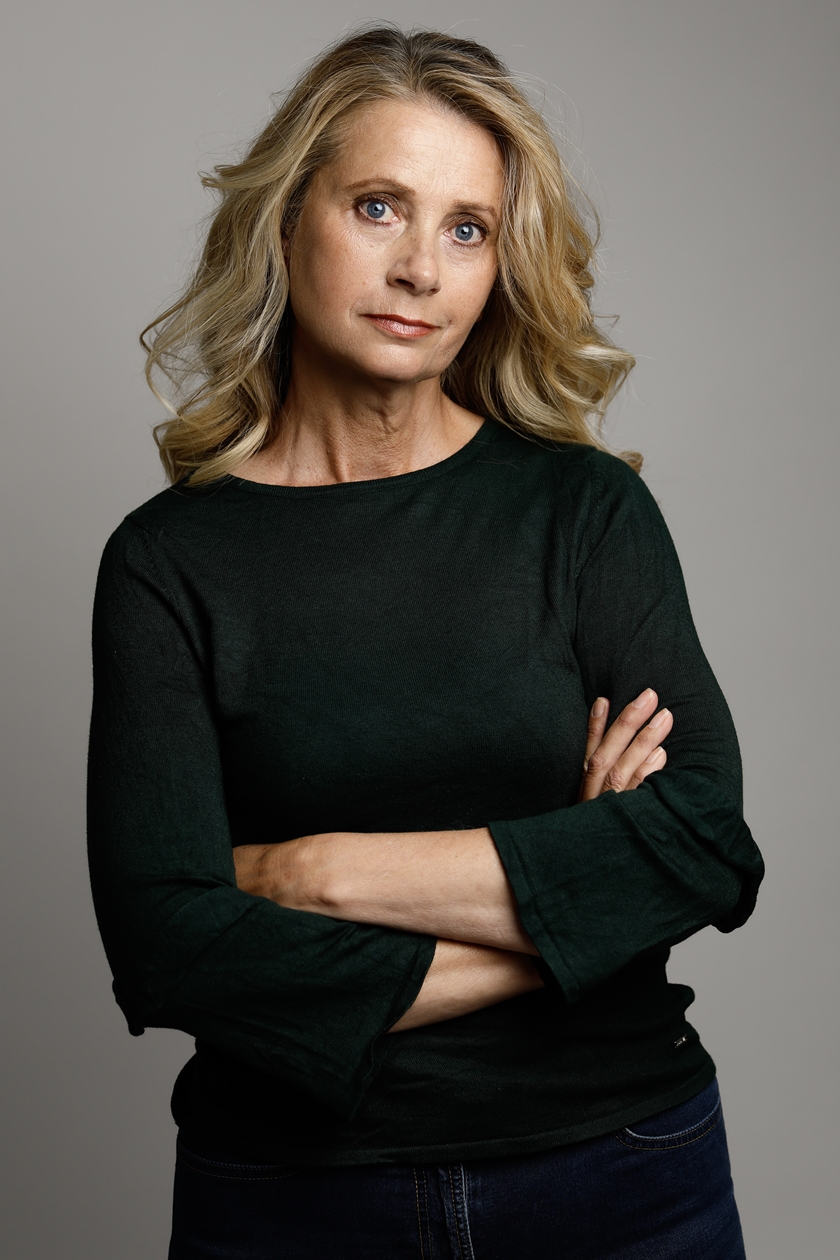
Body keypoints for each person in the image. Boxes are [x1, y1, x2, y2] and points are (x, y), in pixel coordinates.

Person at [87, 25, 764, 1260]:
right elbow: (169, 947)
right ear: (288, 218)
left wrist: (311, 873)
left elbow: (704, 842)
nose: (419, 269)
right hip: (291, 1198)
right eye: (379, 207)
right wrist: (579, 908)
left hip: (622, 1179)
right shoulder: (168, 563)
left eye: (467, 229)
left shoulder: (585, 510)